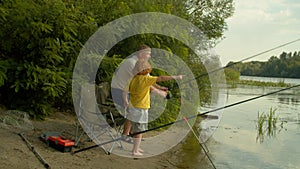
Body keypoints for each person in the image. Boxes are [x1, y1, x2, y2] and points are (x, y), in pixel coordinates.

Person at [123, 59, 183, 156]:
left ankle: (136, 148)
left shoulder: (132, 79)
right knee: (140, 130)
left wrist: (125, 100)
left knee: (136, 128)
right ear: (146, 70)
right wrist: (176, 77)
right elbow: (161, 78)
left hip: (132, 107)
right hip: (141, 109)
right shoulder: (145, 79)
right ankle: (135, 151)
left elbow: (124, 92)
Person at [111, 45, 167, 142]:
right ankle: (125, 134)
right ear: (141, 54)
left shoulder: (140, 63)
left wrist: (160, 88)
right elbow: (142, 82)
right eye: (148, 54)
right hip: (118, 92)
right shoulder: (132, 63)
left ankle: (134, 133)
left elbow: (148, 80)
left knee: (139, 106)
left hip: (127, 92)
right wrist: (160, 93)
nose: (149, 56)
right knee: (136, 108)